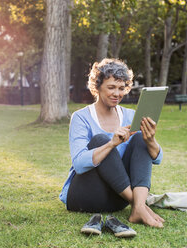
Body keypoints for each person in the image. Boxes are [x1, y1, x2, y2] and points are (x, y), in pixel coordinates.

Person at [59, 58, 165, 237]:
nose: (117, 93)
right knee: (100, 140)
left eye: (121, 88)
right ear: (97, 87)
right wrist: (111, 144)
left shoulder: (131, 116)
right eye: (111, 87)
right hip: (85, 196)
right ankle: (139, 206)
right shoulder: (81, 117)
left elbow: (158, 158)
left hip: (118, 199)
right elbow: (79, 164)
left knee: (140, 139)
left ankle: (137, 208)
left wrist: (150, 140)